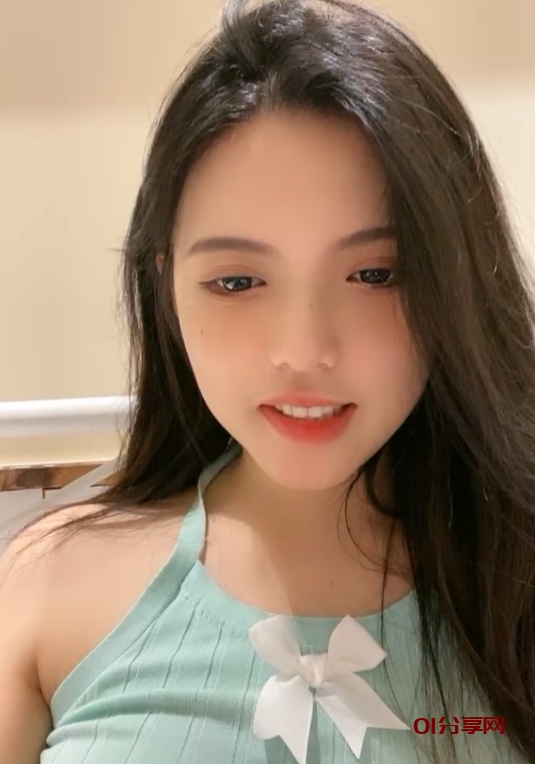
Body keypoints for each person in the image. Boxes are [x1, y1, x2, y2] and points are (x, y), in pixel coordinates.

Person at [1, 0, 534, 761]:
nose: (303, 351)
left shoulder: (516, 583)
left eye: (375, 274)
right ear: (167, 289)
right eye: (237, 281)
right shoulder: (47, 587)